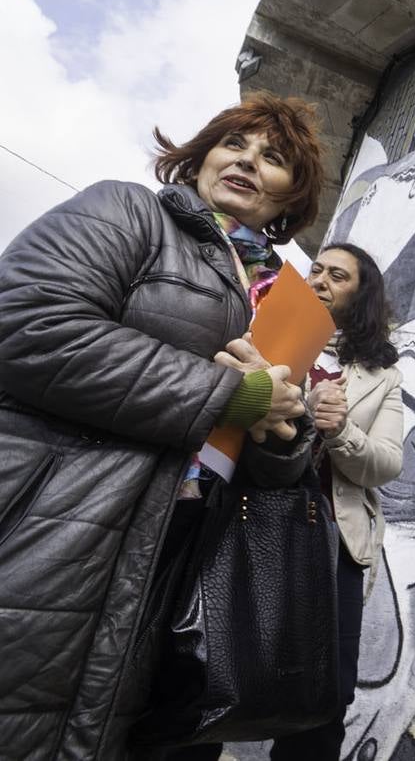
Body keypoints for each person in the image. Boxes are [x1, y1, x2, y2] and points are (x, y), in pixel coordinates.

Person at [0, 94, 326, 760]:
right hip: (52, 528)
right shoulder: (129, 211)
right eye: (234, 142)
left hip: (172, 561)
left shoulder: (279, 295)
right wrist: (229, 395)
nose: (246, 160)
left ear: (292, 199)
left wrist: (287, 427)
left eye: (274, 158)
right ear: (201, 154)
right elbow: (28, 324)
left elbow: (258, 448)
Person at [267, 243, 404, 759]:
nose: (321, 279)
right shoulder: (267, 334)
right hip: (249, 522)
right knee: (209, 666)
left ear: (361, 296)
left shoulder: (383, 375)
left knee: (323, 697)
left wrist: (341, 429)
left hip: (334, 541)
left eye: (337, 276)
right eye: (316, 270)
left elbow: (388, 463)